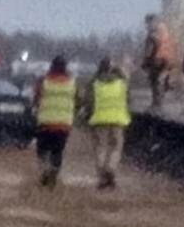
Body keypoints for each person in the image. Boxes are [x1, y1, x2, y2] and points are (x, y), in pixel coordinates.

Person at [32, 55, 77, 188]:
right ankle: (54, 171)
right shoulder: (72, 83)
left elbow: (36, 100)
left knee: (42, 150)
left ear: (51, 66)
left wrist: (35, 108)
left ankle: (45, 168)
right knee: (57, 151)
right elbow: (77, 101)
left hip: (45, 123)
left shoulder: (43, 81)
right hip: (63, 124)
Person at [87, 58, 131, 190]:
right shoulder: (122, 83)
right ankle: (110, 168)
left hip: (100, 120)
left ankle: (102, 176)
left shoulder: (94, 83)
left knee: (100, 148)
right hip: (118, 119)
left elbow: (89, 102)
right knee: (116, 147)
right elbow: (128, 99)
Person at [142, 14, 173, 108]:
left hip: (156, 59)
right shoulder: (164, 29)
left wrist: (146, 61)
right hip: (167, 58)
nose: (146, 25)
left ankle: (156, 104)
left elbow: (151, 47)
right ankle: (159, 103)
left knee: (155, 82)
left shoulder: (153, 32)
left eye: (147, 22)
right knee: (160, 81)